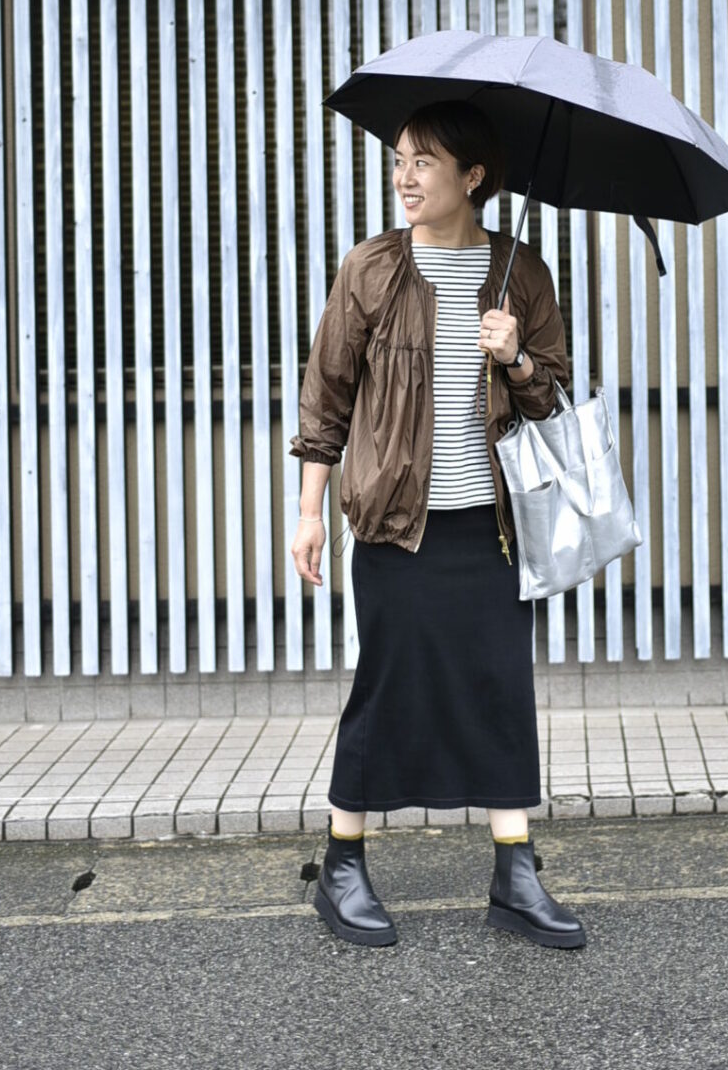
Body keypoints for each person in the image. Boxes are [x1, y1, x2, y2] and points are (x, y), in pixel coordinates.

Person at [288, 99, 585, 950]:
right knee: (387, 688)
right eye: (400, 160)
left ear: (473, 176)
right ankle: (342, 862)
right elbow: (327, 399)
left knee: (500, 692)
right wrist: (310, 513)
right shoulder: (372, 270)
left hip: (489, 528)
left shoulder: (520, 275)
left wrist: (515, 356)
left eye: (424, 162)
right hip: (394, 528)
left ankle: (515, 873)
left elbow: (553, 395)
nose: (405, 176)